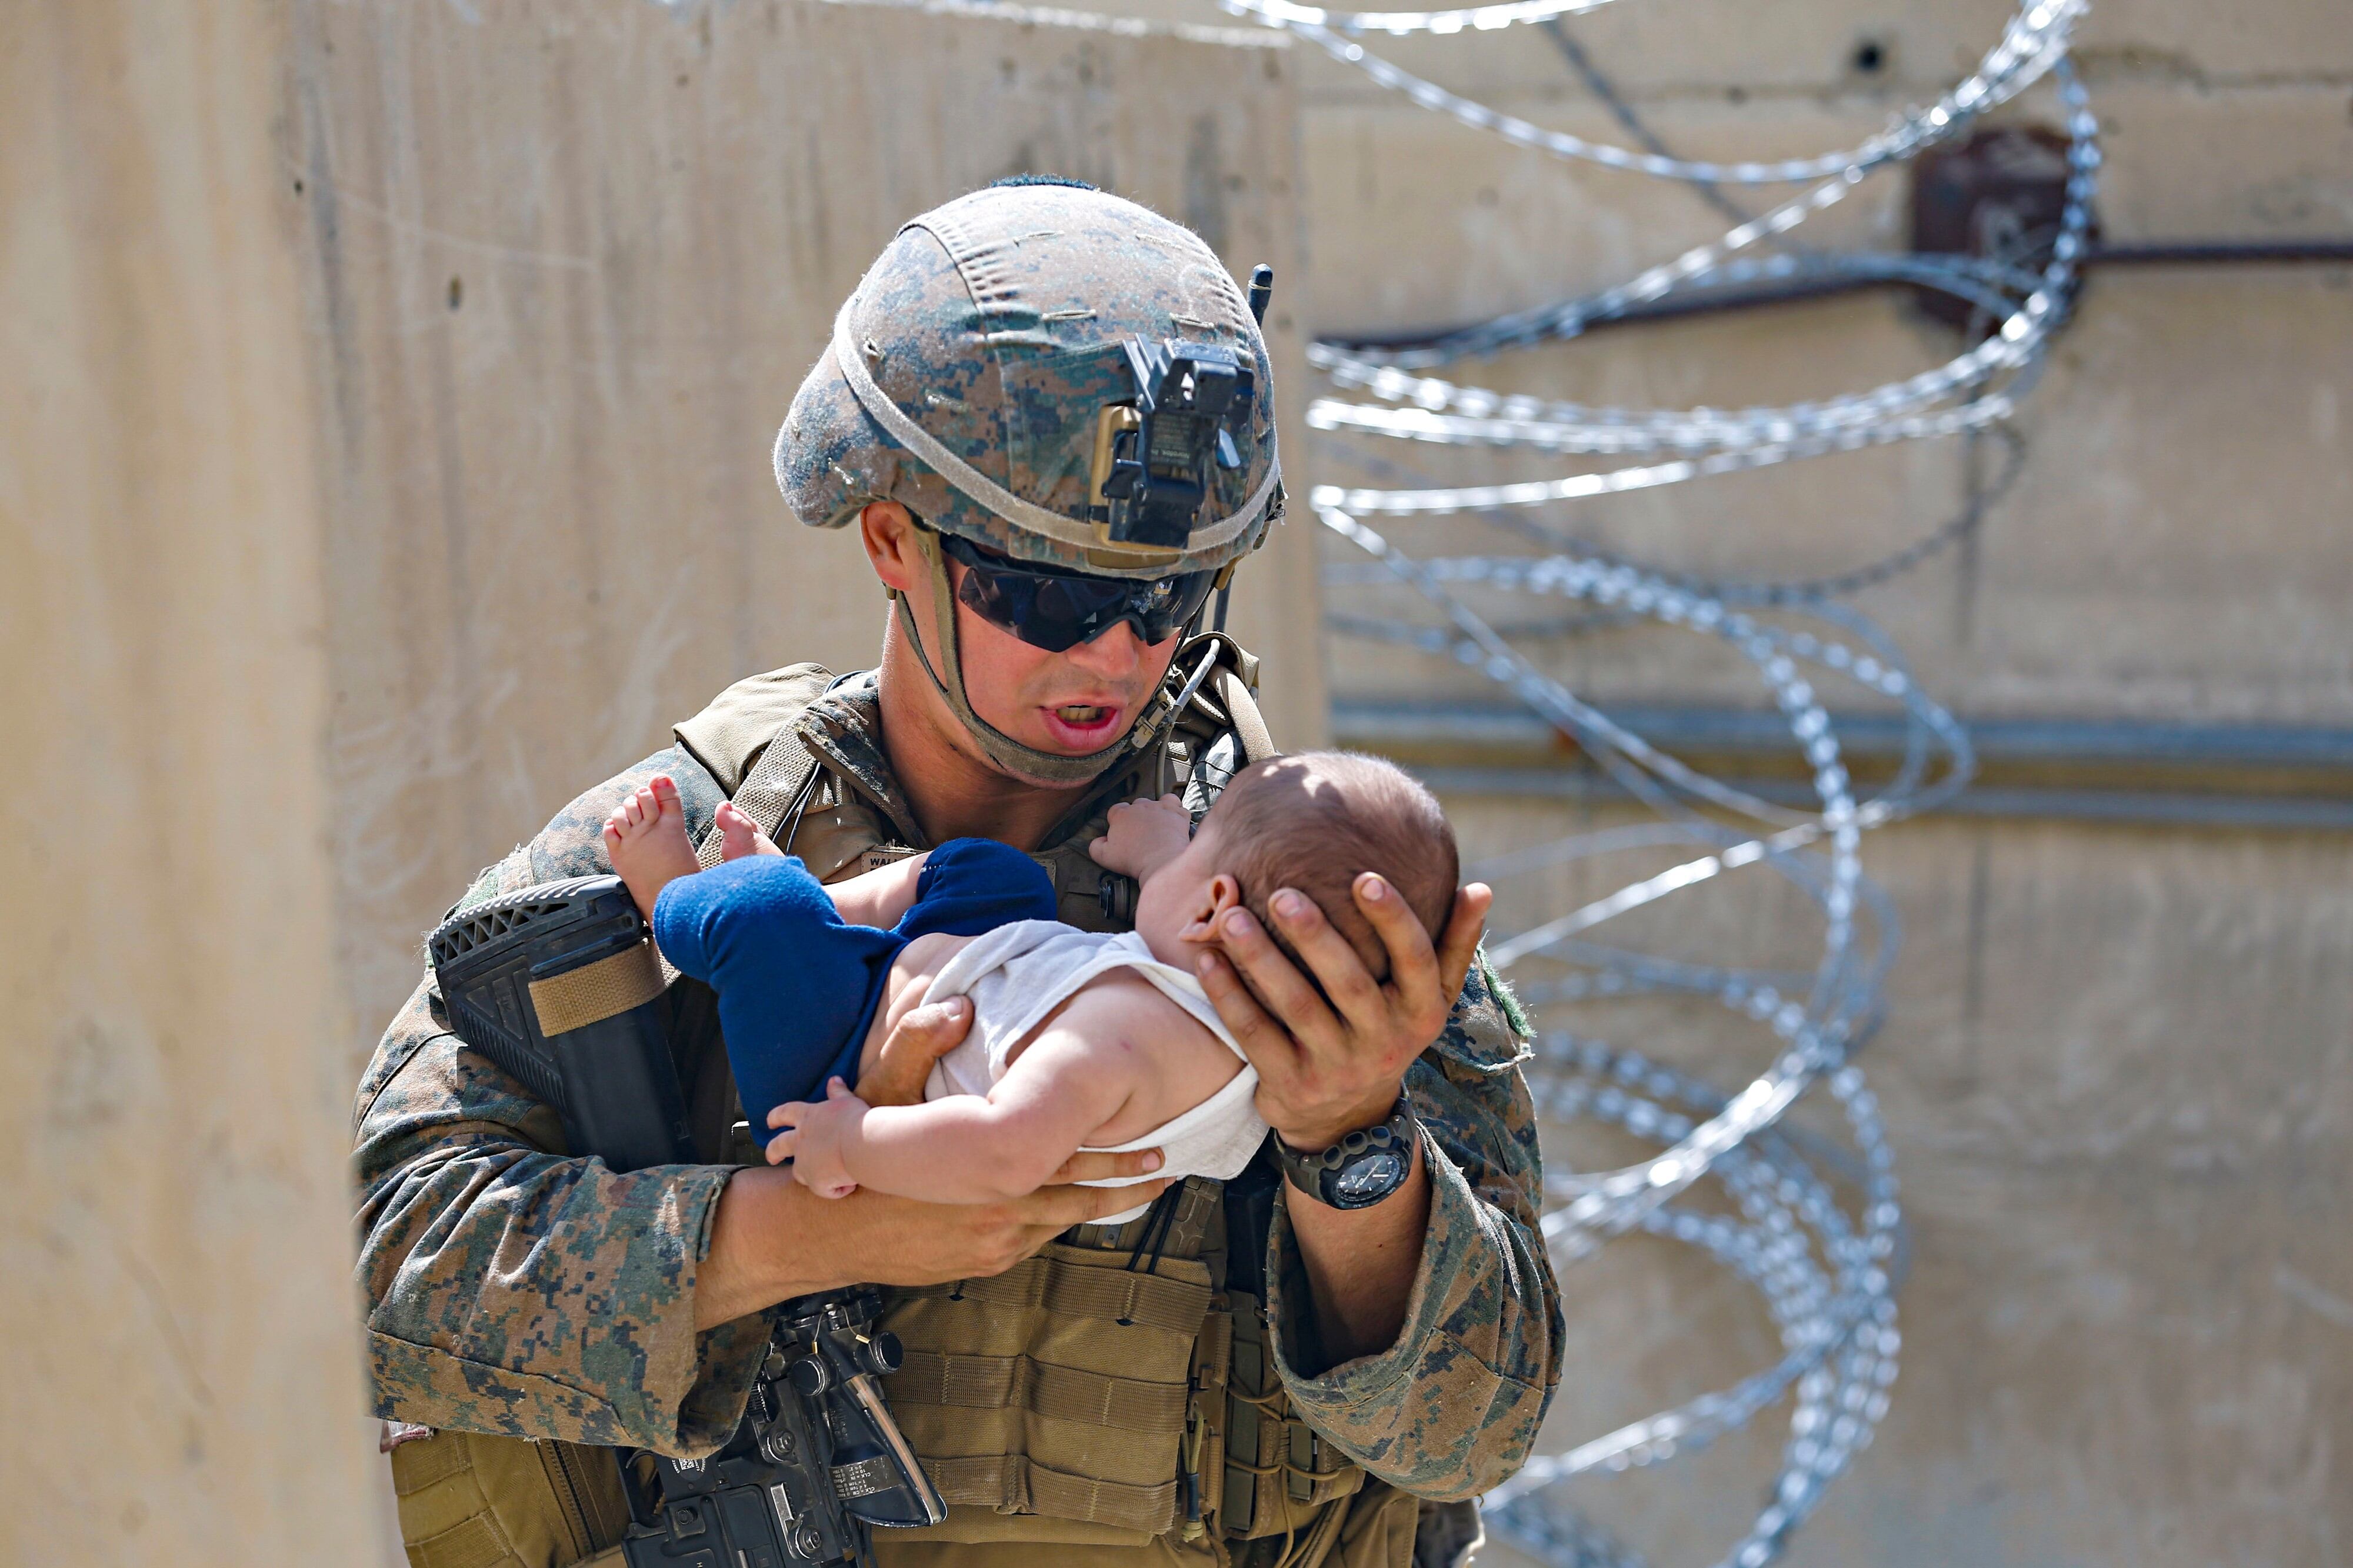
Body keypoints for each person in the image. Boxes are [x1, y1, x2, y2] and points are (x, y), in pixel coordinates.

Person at [355, 177, 1562, 1568]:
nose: (1115, 656)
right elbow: (383, 1269)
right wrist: (805, 1234)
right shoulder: (691, 845)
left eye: (1162, 601)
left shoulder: (1305, 902)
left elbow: (1473, 1434)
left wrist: (1347, 1143)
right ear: (891, 540)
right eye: (1048, 596)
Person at [600, 752, 1458, 1224]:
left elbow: (1008, 1151)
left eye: (1198, 845)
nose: (1181, 847)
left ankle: (675, 895)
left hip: (839, 1068)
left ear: (1217, 906)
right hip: (969, 979)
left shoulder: (1117, 1041)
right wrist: (1166, 854)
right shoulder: (1236, 1027)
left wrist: (852, 1139)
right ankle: (818, 911)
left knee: (758, 915)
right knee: (995, 876)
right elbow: (1187, 932)